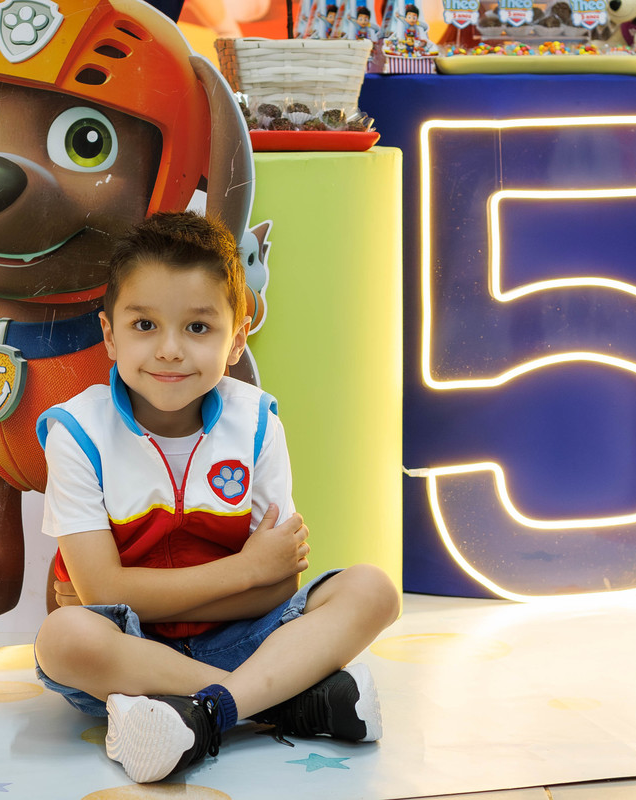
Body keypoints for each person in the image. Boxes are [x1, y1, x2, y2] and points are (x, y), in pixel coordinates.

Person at [32, 211, 400, 784]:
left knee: (372, 589)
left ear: (238, 338)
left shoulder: (256, 423)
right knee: (63, 637)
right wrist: (246, 570)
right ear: (109, 335)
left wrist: (137, 592)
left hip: (244, 642)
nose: (170, 350)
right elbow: (104, 595)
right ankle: (276, 701)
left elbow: (278, 588)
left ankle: (202, 714)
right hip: (134, 654)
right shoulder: (77, 432)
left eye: (198, 328)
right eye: (144, 325)